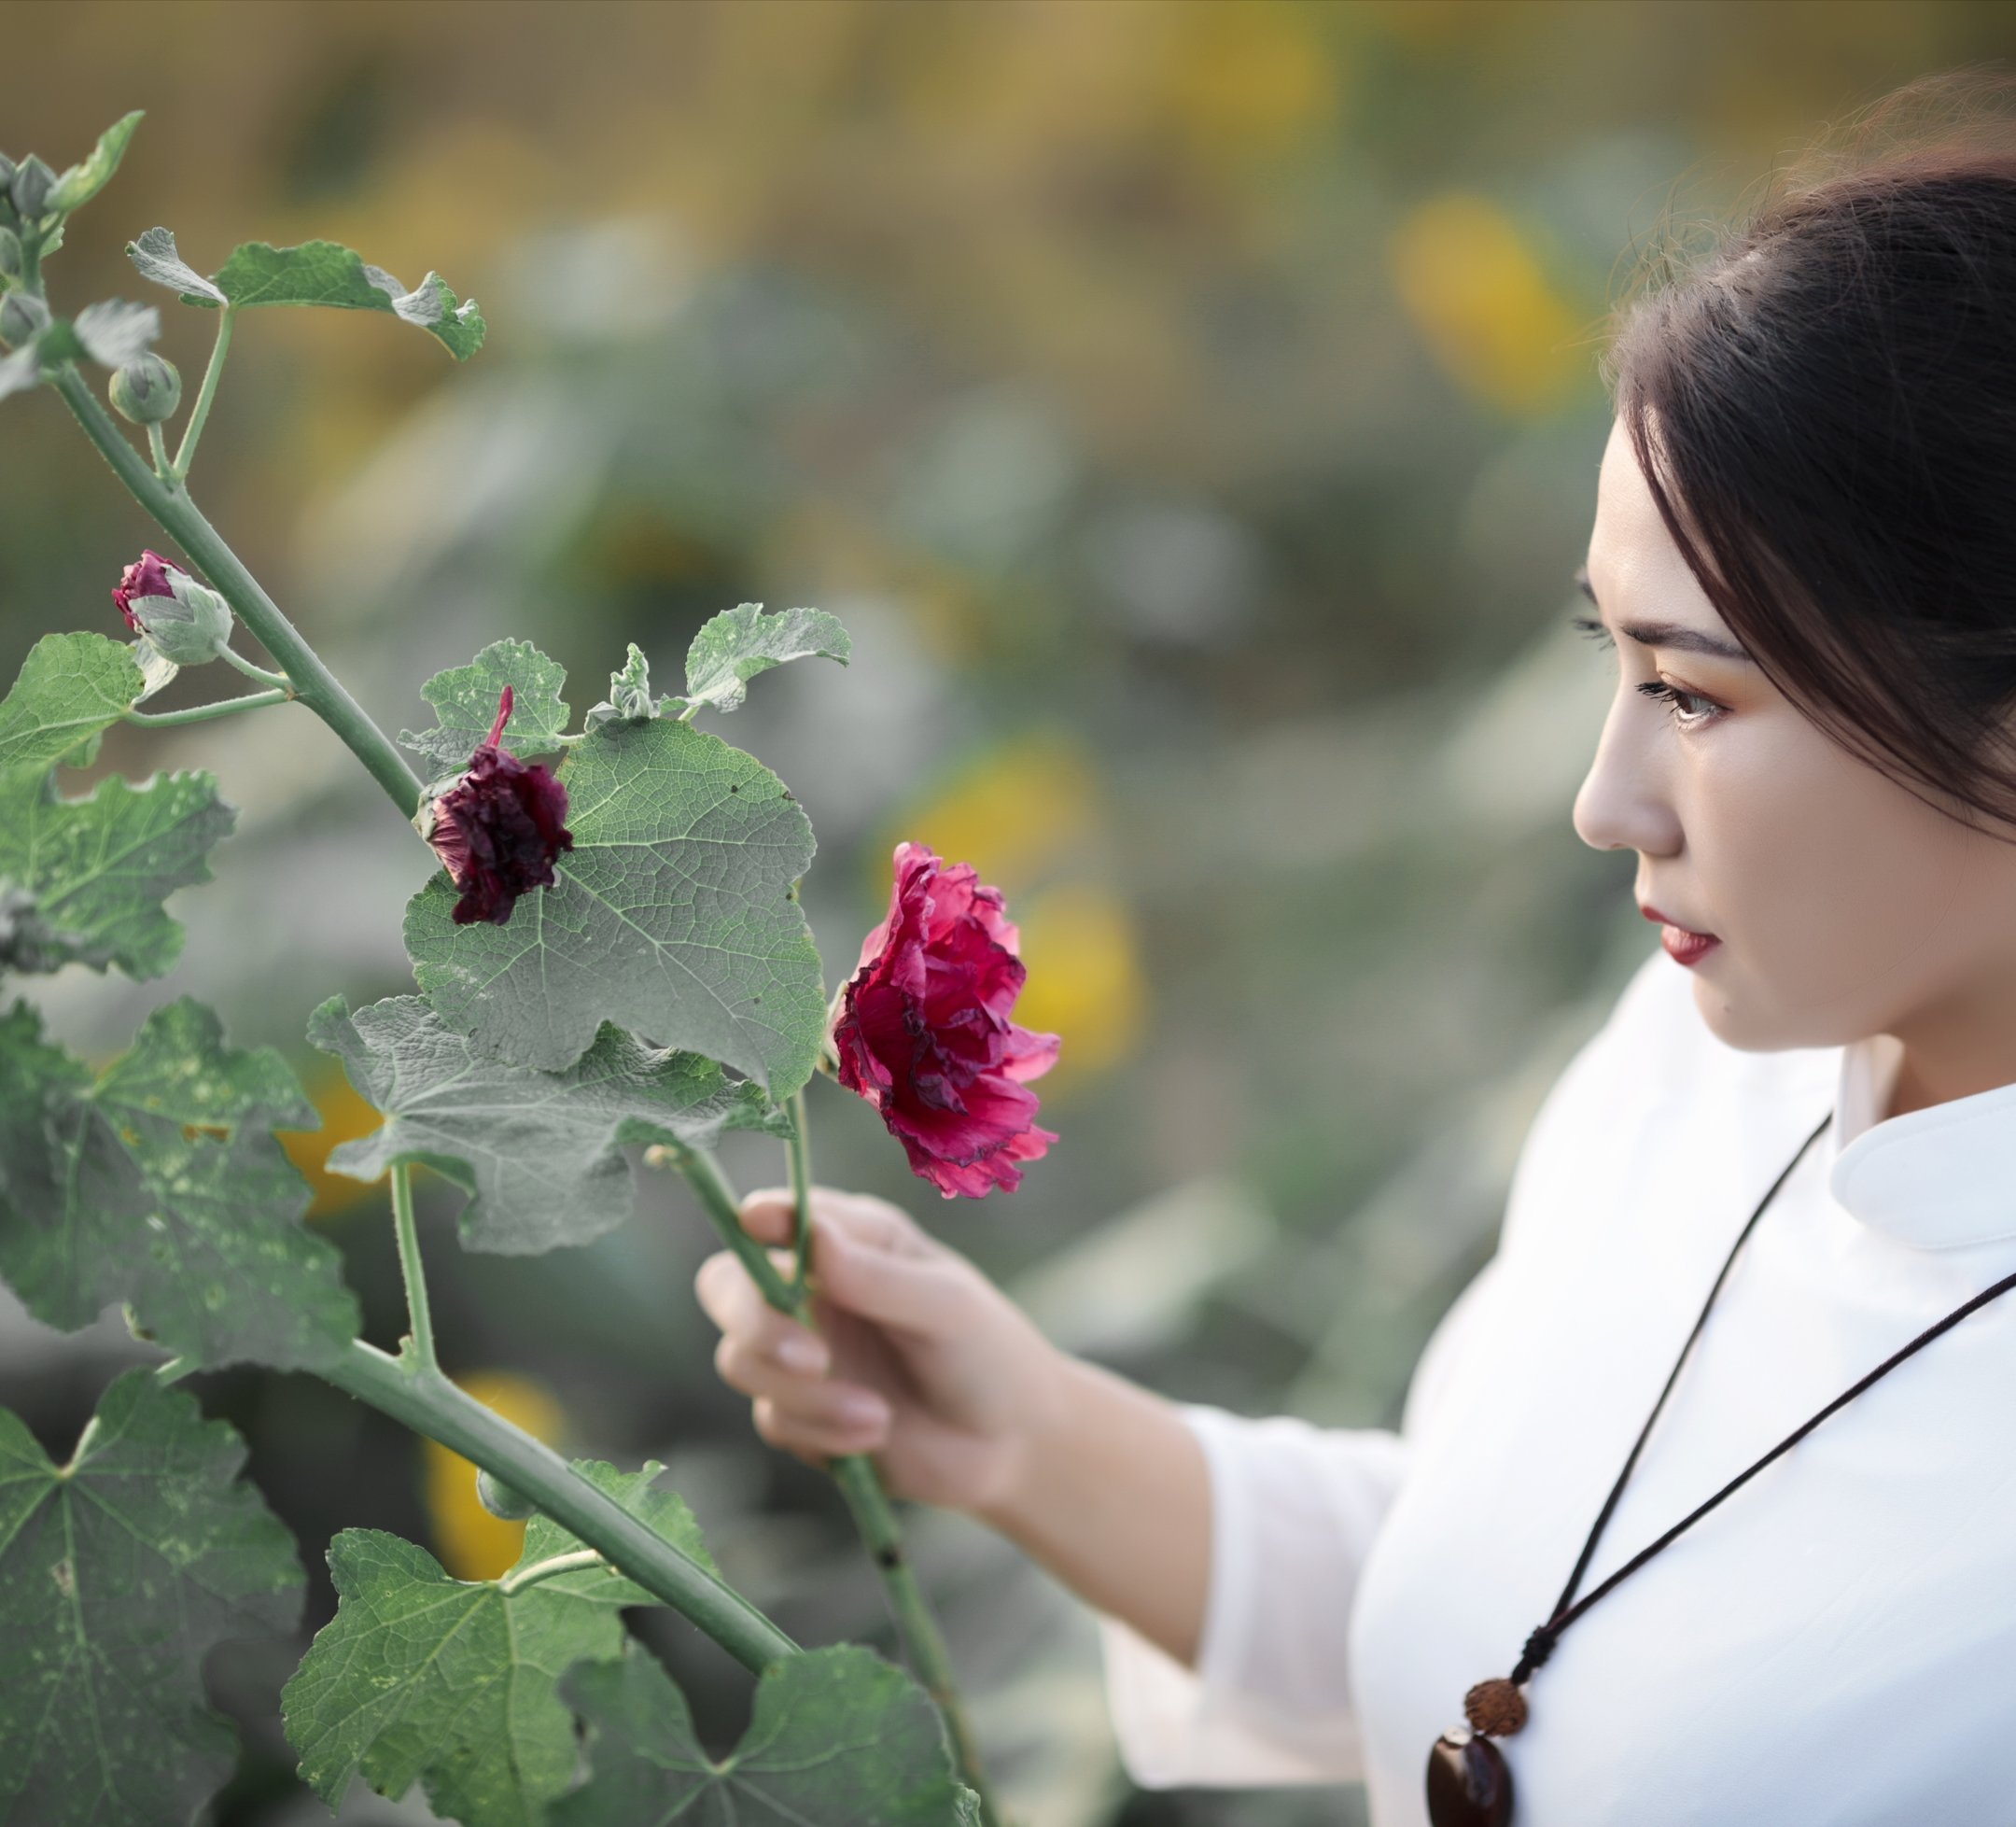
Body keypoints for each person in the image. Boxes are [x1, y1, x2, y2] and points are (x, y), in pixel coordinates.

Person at [695, 73, 2016, 1825]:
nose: (1603, 799)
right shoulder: (1692, 1062)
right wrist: (1020, 1427)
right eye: (1609, 663)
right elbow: (1520, 1613)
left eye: (1694, 694)